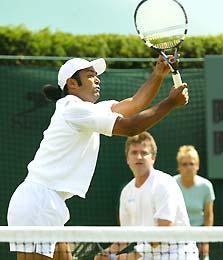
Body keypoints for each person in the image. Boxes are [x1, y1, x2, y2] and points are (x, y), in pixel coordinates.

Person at [7, 56, 189, 260]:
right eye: (90, 75)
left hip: (48, 202)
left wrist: (158, 74)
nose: (97, 79)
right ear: (73, 83)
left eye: (96, 76)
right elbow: (130, 127)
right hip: (38, 201)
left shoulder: (88, 110)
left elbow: (135, 104)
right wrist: (171, 102)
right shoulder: (72, 108)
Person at [95, 132, 199, 260]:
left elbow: (163, 231)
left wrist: (130, 256)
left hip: (179, 255)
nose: (139, 156)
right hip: (148, 256)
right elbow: (126, 234)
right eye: (134, 152)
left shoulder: (164, 183)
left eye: (144, 153)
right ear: (127, 159)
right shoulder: (127, 191)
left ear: (153, 158)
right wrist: (107, 253)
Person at [174, 145, 215, 260]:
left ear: (197, 166)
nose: (188, 167)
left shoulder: (206, 186)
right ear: (179, 167)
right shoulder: (171, 184)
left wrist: (205, 241)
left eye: (191, 164)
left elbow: (208, 214)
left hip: (199, 233)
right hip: (178, 234)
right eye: (184, 164)